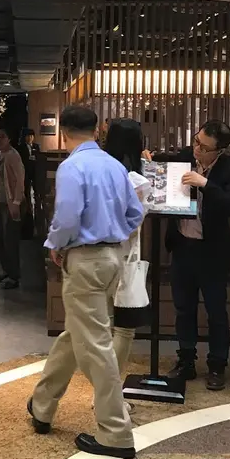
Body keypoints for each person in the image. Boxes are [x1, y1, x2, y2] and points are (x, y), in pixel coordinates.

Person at [28, 105, 144, 459]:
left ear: (64, 133)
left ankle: (116, 433)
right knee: (76, 334)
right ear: (96, 131)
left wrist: (56, 244)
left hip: (85, 259)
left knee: (95, 346)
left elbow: (66, 217)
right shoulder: (115, 166)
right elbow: (135, 213)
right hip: (112, 259)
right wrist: (114, 234)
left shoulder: (72, 166)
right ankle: (43, 404)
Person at [158, 120, 230, 391]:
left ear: (219, 151)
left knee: (216, 310)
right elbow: (164, 163)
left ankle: (217, 364)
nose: (197, 149)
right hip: (183, 245)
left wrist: (205, 183)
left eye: (204, 147)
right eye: (196, 141)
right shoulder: (186, 157)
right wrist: (150, 159)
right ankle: (186, 360)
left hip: (213, 251)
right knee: (183, 308)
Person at [104, 118, 151, 376]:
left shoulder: (102, 172)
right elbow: (135, 220)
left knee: (100, 324)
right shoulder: (136, 179)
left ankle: (104, 385)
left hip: (97, 253)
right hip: (126, 254)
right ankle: (110, 385)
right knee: (124, 327)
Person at [0, 123, 26, 289]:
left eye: (2, 136)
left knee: (10, 241)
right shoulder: (1, 154)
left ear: (9, 138)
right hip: (0, 203)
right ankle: (7, 269)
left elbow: (20, 180)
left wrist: (17, 202)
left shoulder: (13, 156)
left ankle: (14, 276)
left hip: (11, 203)